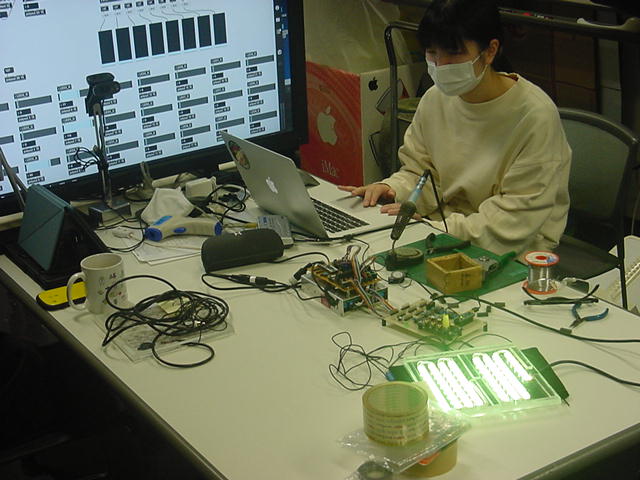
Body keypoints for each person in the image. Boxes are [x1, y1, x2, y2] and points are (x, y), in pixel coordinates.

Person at [340, 0, 571, 257]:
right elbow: (422, 174)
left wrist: (435, 229)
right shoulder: (436, 99)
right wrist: (394, 190)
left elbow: (513, 221)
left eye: (454, 53)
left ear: (490, 51)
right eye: (432, 53)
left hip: (512, 249)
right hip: (442, 229)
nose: (441, 65)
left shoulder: (534, 116)